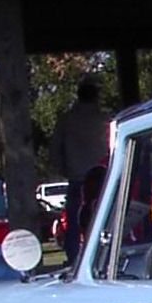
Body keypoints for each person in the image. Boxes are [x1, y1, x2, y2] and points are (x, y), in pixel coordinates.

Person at [50, 76, 112, 261]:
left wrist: (62, 168)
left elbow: (54, 150)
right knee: (105, 220)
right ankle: (105, 257)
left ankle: (74, 258)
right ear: (96, 96)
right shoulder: (104, 119)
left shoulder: (67, 120)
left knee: (74, 223)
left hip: (77, 178)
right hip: (101, 178)